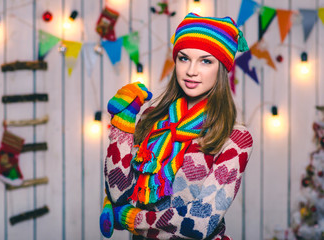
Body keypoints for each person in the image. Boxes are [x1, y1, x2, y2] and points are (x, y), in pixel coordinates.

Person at [100, 12, 253, 240]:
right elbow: (118, 193)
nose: (191, 70)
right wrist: (124, 125)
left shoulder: (235, 137)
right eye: (184, 58)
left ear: (221, 68)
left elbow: (200, 221)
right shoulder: (151, 118)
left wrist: (132, 219)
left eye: (206, 61)